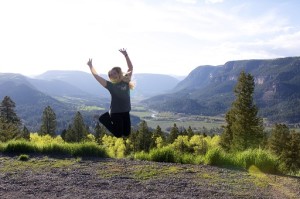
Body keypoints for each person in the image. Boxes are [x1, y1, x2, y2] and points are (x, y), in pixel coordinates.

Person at [87, 48, 134, 138]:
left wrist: (126, 55)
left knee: (127, 133)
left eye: (114, 73)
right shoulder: (110, 86)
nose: (112, 75)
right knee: (118, 134)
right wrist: (90, 66)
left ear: (119, 73)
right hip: (116, 112)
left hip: (126, 111)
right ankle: (103, 118)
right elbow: (97, 77)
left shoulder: (125, 80)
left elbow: (130, 68)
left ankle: (107, 117)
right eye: (110, 75)